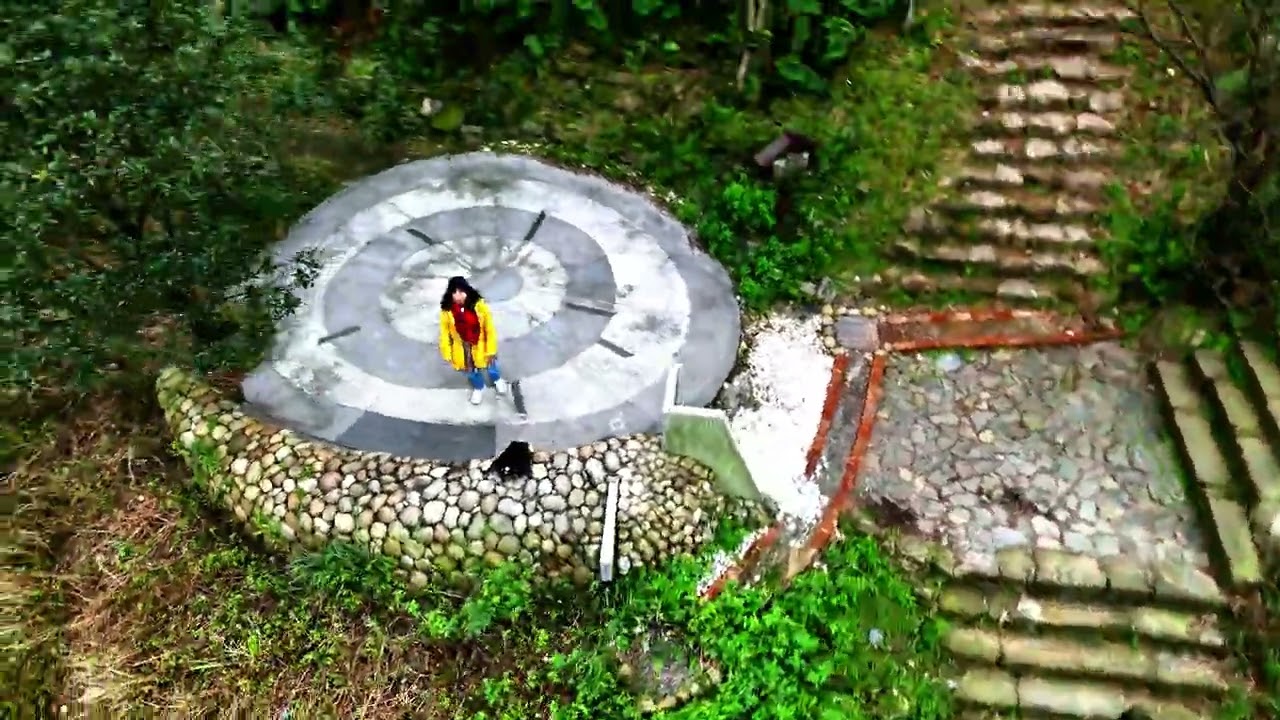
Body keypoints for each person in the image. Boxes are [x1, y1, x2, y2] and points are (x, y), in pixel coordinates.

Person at [438, 276, 509, 405]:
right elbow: (445, 333)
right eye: (454, 292)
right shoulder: (447, 311)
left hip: (481, 344)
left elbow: (490, 328)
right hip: (462, 347)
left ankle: (497, 379)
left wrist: (491, 349)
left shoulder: (479, 305)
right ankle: (478, 387)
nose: (458, 296)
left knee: (490, 365)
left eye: (461, 291)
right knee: (470, 371)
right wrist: (447, 352)